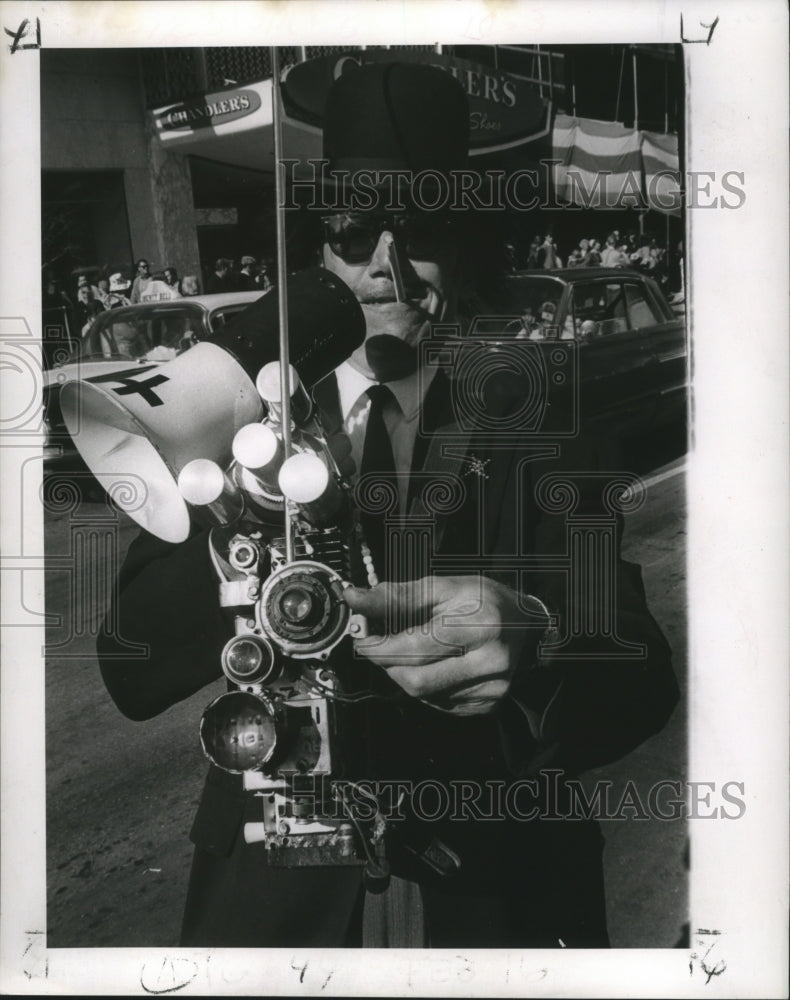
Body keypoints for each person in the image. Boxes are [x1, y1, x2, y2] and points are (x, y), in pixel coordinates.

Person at [97, 62, 677, 950]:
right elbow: (132, 671)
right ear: (318, 251)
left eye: (424, 230)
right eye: (356, 230)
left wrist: (539, 636)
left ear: (469, 247)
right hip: (281, 901)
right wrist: (230, 518)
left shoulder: (535, 415)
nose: (387, 267)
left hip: (494, 891)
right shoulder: (233, 415)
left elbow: (639, 674)